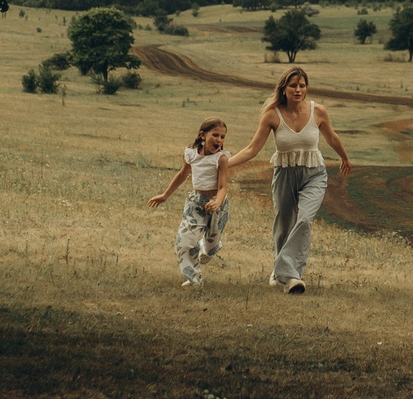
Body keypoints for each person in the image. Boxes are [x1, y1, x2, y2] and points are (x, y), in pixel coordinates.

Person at [220, 67, 352, 293]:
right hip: (284, 174)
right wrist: (223, 164)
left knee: (304, 220)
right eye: (293, 86)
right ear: (283, 88)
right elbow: (252, 149)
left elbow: (331, 137)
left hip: (314, 173)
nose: (298, 90)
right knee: (283, 224)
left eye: (302, 85)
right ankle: (280, 272)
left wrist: (345, 158)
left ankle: (291, 276)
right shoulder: (272, 115)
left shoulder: (317, 111)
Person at [147, 117, 231, 287]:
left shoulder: (221, 158)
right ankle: (193, 278)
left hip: (217, 205)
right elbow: (182, 175)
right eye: (215, 135)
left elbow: (222, 187)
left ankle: (207, 247)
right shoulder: (191, 154)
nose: (219, 140)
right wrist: (164, 195)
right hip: (195, 203)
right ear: (202, 135)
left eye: (222, 137)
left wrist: (217, 202)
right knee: (184, 240)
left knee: (211, 246)